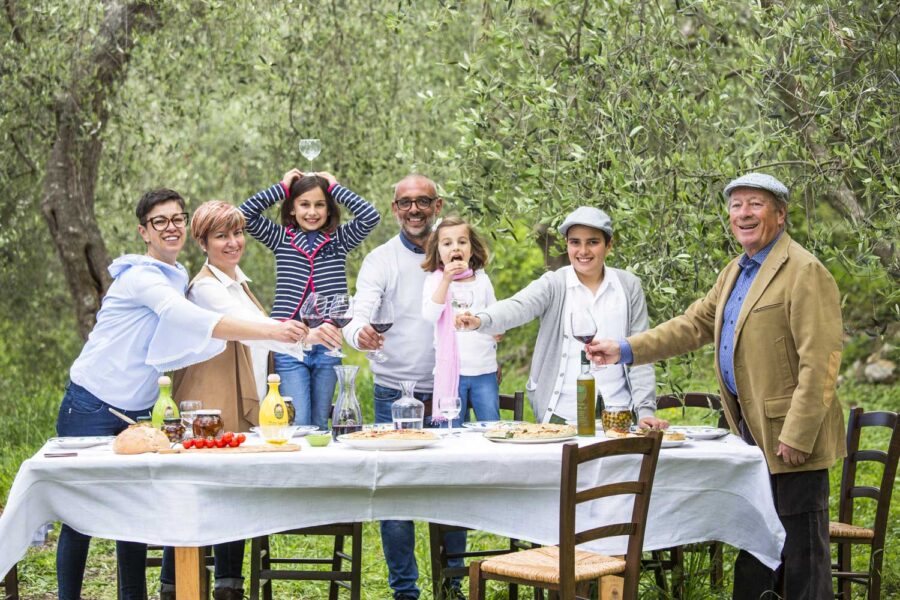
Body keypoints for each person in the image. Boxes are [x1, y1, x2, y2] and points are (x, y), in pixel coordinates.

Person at [587, 173, 845, 599]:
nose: (743, 213)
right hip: (752, 435)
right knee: (759, 545)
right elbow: (693, 325)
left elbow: (821, 362)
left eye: (755, 204)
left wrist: (798, 433)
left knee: (802, 557)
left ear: (780, 215)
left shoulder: (804, 270)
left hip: (791, 439)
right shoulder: (736, 272)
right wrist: (625, 348)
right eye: (736, 205)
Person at [56, 189, 307, 600]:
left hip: (136, 411)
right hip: (90, 402)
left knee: (135, 513)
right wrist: (274, 330)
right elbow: (185, 319)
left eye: (177, 219)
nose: (170, 227)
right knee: (76, 513)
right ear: (143, 231)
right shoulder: (140, 277)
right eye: (160, 221)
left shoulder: (176, 276)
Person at [157, 201, 342, 600]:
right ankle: (175, 589)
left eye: (237, 233)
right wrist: (300, 333)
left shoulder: (239, 282)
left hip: (237, 403)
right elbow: (248, 331)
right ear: (202, 242)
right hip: (208, 405)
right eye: (221, 235)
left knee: (231, 495)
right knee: (196, 497)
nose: (233, 242)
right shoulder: (206, 288)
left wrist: (311, 337)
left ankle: (228, 586)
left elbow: (266, 337)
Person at [343, 174, 466, 600]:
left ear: (437, 205)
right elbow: (358, 314)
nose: (414, 210)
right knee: (395, 495)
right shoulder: (381, 260)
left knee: (452, 488)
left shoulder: (460, 256)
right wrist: (359, 333)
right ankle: (405, 593)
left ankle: (452, 587)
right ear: (395, 210)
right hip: (393, 392)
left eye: (423, 202)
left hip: (449, 390)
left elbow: (481, 312)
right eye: (406, 203)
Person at [457, 206, 666, 430]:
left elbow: (640, 351)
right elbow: (518, 306)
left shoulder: (628, 286)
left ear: (609, 245)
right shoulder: (554, 283)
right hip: (560, 413)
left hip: (619, 411)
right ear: (567, 244)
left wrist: (645, 410)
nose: (583, 250)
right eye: (575, 242)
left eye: (593, 242)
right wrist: (481, 320)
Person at [239, 169, 380, 430]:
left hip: (328, 344)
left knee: (320, 422)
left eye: (319, 205)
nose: (312, 212)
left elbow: (371, 216)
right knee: (300, 421)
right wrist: (282, 186)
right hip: (290, 343)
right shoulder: (281, 238)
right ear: (292, 208)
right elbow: (244, 215)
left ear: (329, 209)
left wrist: (335, 187)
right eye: (304, 204)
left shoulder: (338, 240)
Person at [421, 216, 500, 424]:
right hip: (451, 373)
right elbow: (430, 315)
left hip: (484, 369)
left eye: (462, 242)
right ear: (438, 251)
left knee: (491, 426)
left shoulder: (482, 280)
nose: (455, 247)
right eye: (447, 243)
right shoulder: (435, 281)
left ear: (471, 249)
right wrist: (446, 280)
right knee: (451, 430)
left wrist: (498, 330)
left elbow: (496, 317)